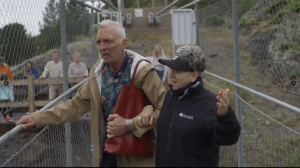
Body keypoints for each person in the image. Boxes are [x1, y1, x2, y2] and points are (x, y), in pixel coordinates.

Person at [16, 20, 166, 167]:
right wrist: (37, 118)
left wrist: (129, 124)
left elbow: (165, 110)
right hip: (107, 151)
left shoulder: (141, 71)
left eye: (108, 41)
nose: (102, 47)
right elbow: (75, 105)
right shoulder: (98, 73)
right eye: (99, 42)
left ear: (124, 43)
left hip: (136, 155)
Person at [155, 45, 241, 167]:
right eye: (170, 69)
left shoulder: (210, 104)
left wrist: (224, 116)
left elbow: (229, 138)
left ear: (194, 76)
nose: (171, 74)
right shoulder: (170, 96)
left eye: (178, 71)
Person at [0, 57, 14, 122]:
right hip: (1, 85)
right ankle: (5, 117)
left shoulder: (7, 67)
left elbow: (10, 75)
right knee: (2, 104)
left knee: (9, 102)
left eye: (2, 61)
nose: (1, 63)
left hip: (7, 83)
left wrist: (12, 84)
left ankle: (10, 116)